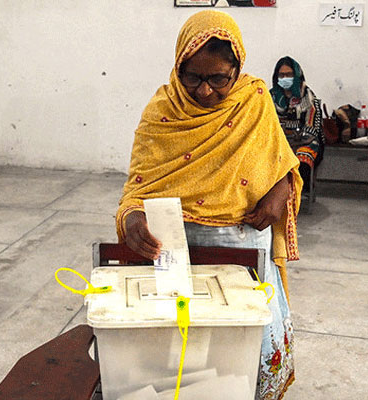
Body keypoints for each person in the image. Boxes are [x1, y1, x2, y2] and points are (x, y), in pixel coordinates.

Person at [116, 11, 300, 399]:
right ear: (178, 65)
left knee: (243, 354)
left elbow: (282, 162)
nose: (204, 91)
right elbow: (137, 188)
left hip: (245, 246)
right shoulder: (162, 112)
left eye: (218, 78)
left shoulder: (253, 101)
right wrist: (132, 219)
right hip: (177, 252)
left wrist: (278, 194)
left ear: (237, 69)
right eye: (193, 77)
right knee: (185, 364)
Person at [270, 56, 325, 193]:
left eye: (289, 75)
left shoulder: (307, 95)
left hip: (304, 140)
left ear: (296, 76)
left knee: (303, 155)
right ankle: (271, 192)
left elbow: (313, 128)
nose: (284, 78)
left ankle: (296, 191)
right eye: (281, 75)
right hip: (277, 140)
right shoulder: (270, 96)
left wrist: (294, 141)